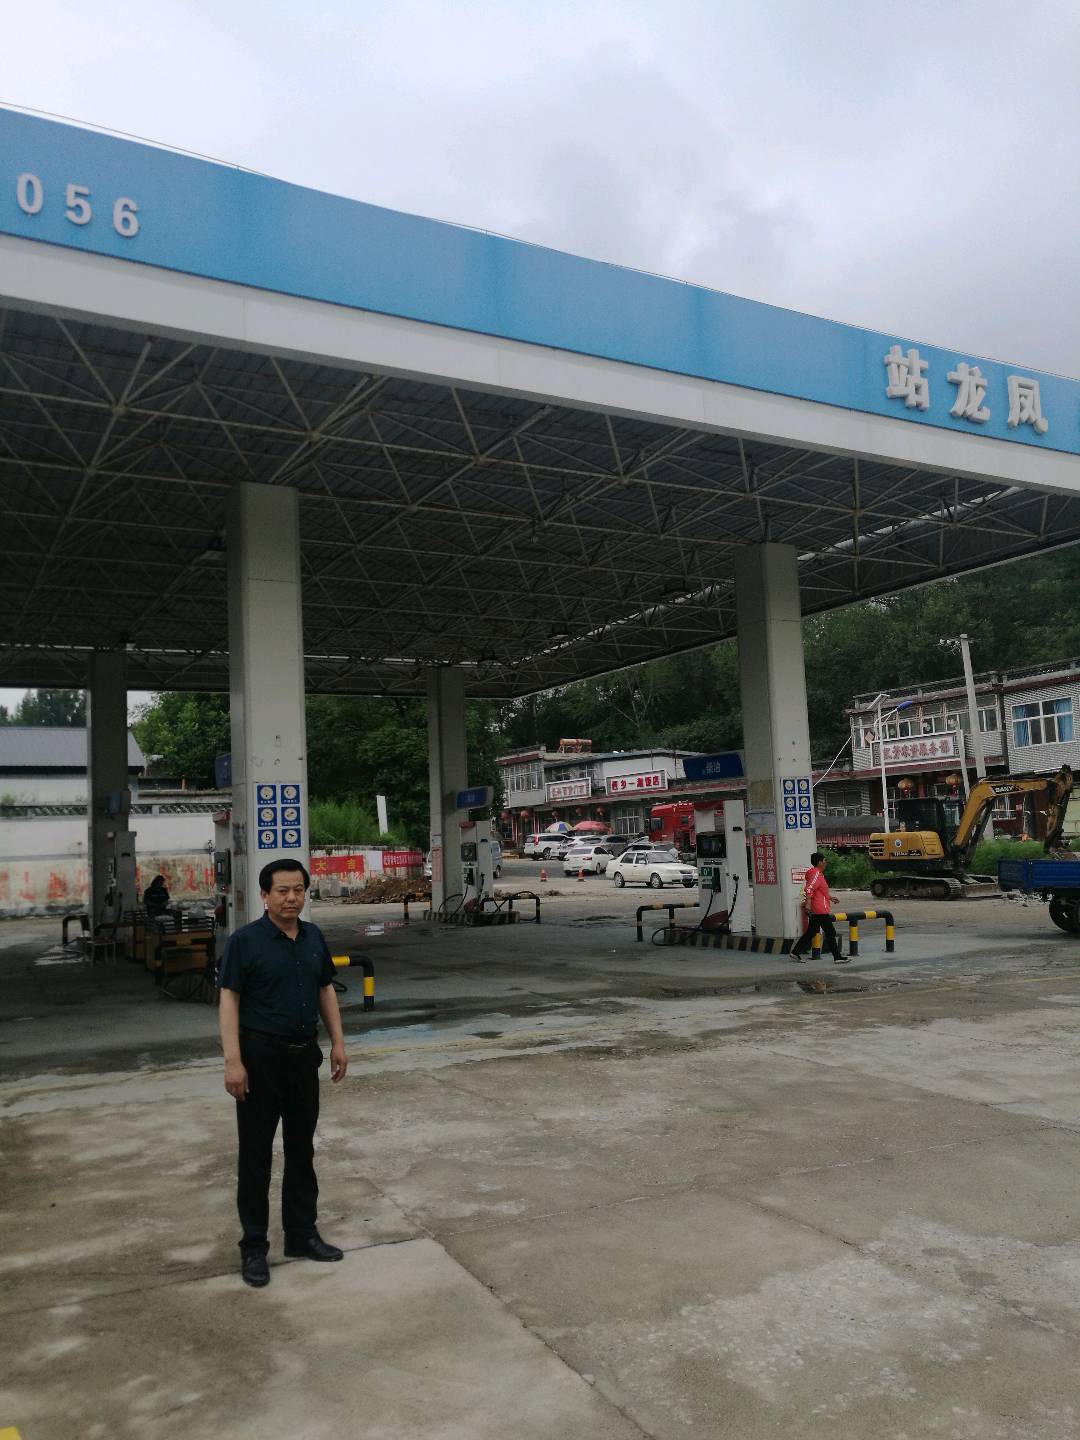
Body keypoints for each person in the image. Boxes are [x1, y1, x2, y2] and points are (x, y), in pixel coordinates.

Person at [218, 858, 348, 1288]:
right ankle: (254, 1247)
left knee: (300, 1151)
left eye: (298, 890)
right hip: (260, 1061)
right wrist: (233, 1060)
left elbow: (325, 988)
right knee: (256, 1158)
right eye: (282, 891)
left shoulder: (313, 937)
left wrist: (338, 1042)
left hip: (303, 1059)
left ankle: (301, 1234)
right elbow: (229, 1000)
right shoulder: (245, 942)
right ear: (264, 895)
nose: (291, 898)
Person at [790, 851, 849, 965]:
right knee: (831, 932)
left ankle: (795, 952)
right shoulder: (816, 874)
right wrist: (808, 903)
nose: (826, 863)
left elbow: (820, 891)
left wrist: (830, 898)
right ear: (819, 862)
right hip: (820, 909)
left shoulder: (818, 874)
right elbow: (809, 888)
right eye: (825, 860)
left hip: (818, 908)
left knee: (811, 932)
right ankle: (837, 957)